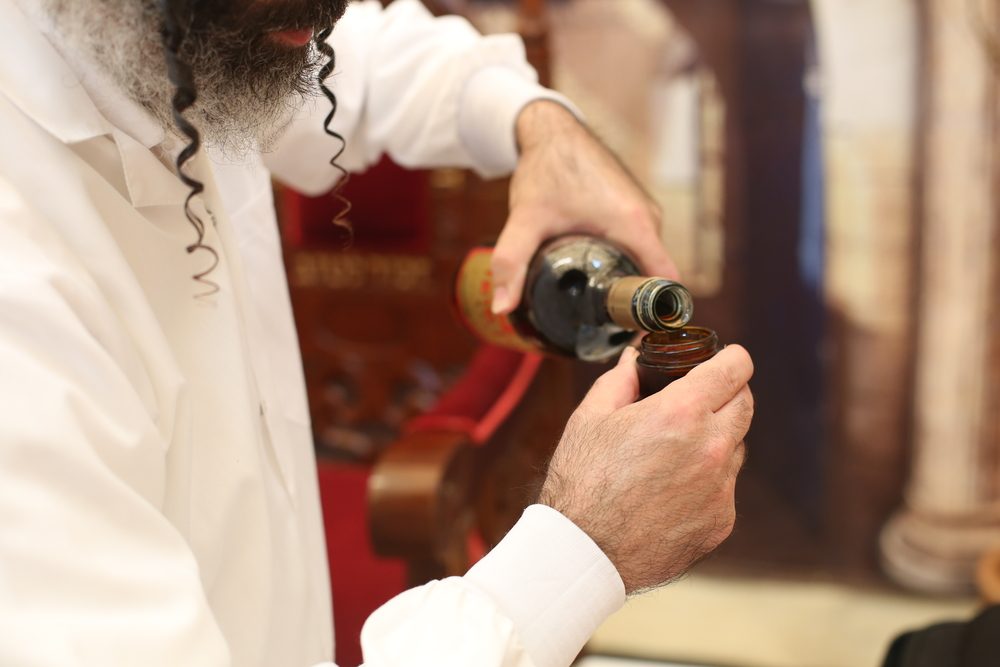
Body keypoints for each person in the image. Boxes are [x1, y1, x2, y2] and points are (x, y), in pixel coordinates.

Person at [0, 0, 754, 665]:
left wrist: (539, 123)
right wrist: (582, 548)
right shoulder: (24, 311)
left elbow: (366, 62)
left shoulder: (174, 31)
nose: (329, 16)